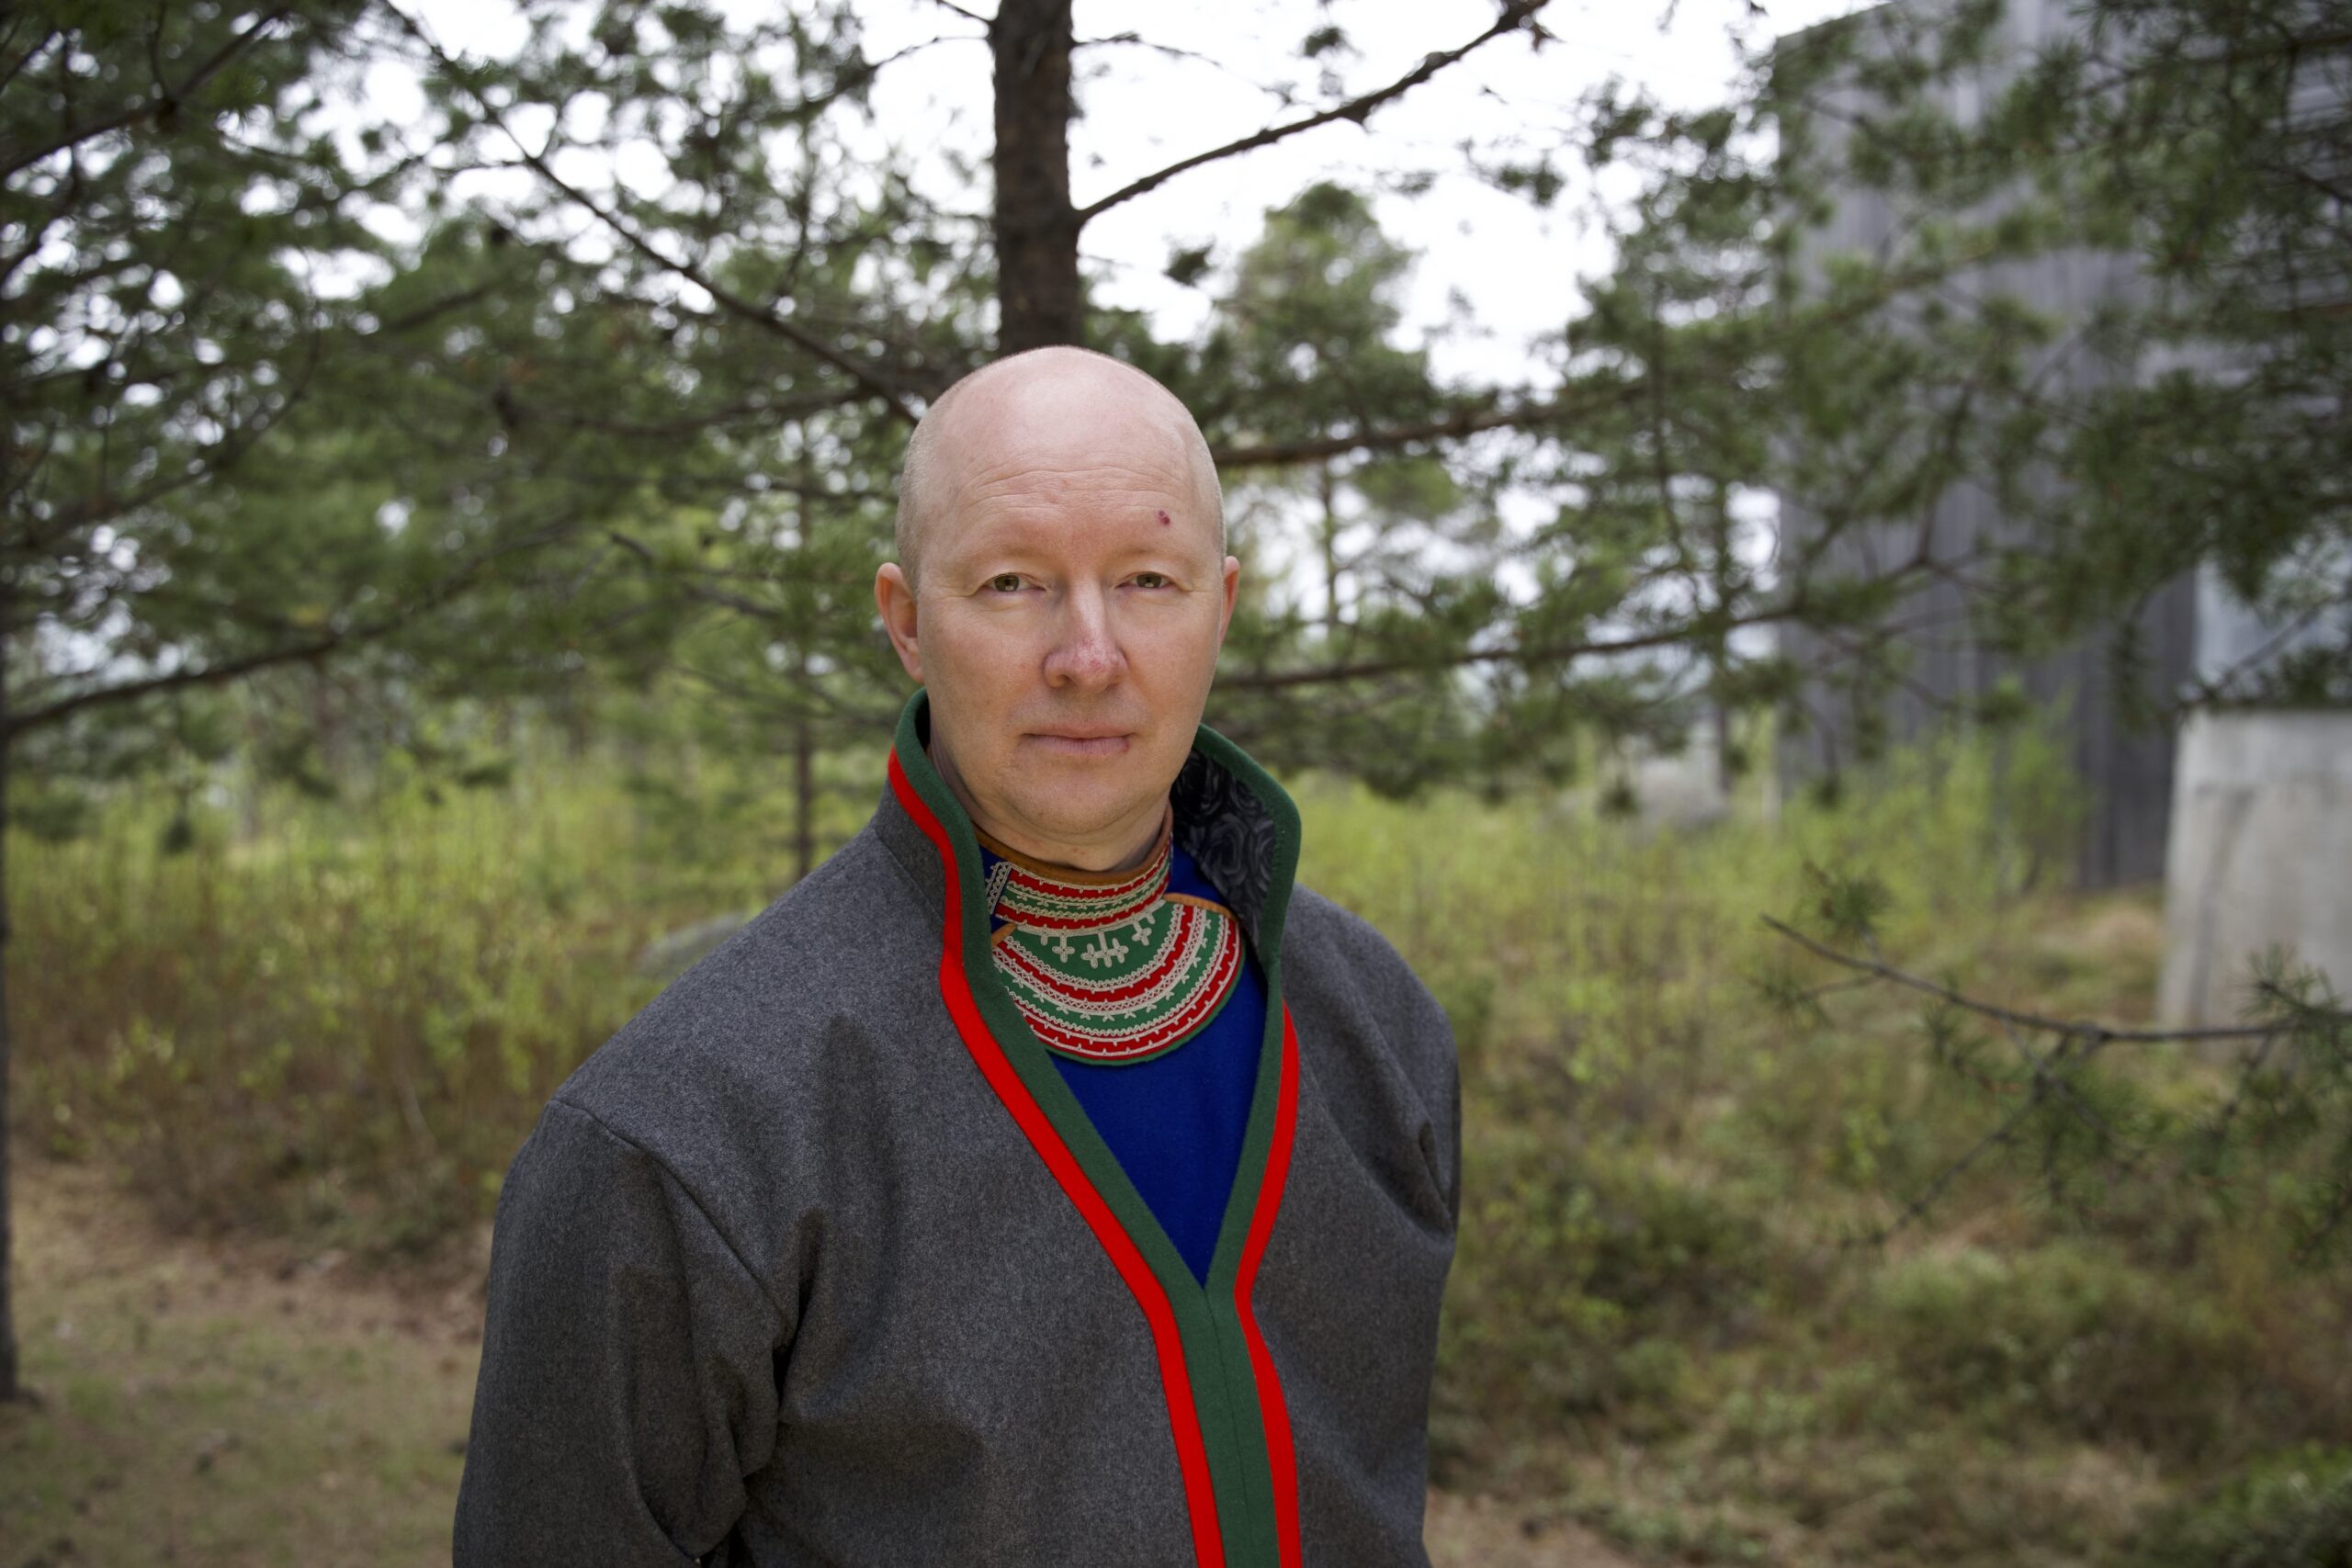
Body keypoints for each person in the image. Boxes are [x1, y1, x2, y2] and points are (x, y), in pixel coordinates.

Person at [452, 345, 1463, 1567]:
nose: (1088, 656)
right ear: (907, 625)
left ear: (1223, 609)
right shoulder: (682, 1130)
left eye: (1148, 580)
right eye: (1011, 583)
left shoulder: (1378, 1031)